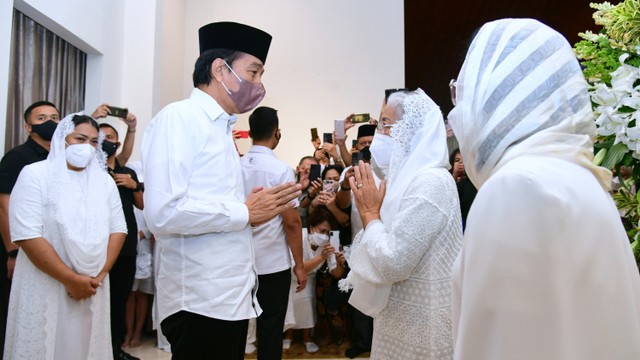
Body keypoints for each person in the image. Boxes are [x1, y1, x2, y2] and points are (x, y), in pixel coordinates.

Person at [447, 18, 640, 360]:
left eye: (461, 93)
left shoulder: (516, 189)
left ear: (490, 94)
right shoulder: (583, 180)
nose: (456, 115)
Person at [141, 21, 301, 360]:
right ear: (220, 69)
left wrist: (249, 213)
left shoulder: (221, 130)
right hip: (200, 299)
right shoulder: (180, 119)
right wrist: (244, 212)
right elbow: (163, 213)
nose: (259, 84)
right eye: (253, 72)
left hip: (228, 296)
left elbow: (209, 207)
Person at [340, 89, 463, 359]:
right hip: (398, 316)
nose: (379, 134)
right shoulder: (403, 179)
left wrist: (371, 214)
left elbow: (394, 262)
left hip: (423, 326)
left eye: (385, 124)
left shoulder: (430, 182)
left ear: (412, 130)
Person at [4, 113, 127, 359]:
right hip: (47, 281)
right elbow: (27, 235)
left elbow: (118, 229)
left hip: (94, 285)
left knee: (85, 345)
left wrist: (98, 276)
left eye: (94, 142)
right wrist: (70, 279)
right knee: (47, 343)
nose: (88, 147)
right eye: (80, 138)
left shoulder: (104, 181)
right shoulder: (35, 174)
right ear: (62, 139)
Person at [240, 106, 307, 359]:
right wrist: (299, 264)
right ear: (277, 133)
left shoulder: (237, 165)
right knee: (270, 326)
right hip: (272, 262)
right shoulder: (280, 169)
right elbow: (291, 222)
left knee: (237, 325)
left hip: (241, 259)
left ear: (249, 133)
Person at [99, 123, 143, 360]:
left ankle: (115, 349)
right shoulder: (92, 170)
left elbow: (142, 204)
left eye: (111, 137)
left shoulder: (128, 172)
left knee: (120, 298)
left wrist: (134, 186)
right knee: (99, 300)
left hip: (126, 245)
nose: (107, 141)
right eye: (102, 137)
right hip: (99, 245)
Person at [283, 207, 344, 353]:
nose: (325, 236)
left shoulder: (330, 244)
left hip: (309, 278)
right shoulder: (299, 236)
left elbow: (336, 274)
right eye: (322, 231)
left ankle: (307, 338)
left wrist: (340, 263)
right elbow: (296, 268)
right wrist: (321, 257)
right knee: (289, 303)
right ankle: (288, 334)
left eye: (328, 233)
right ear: (311, 228)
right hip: (290, 276)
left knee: (307, 301)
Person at [449, 148, 476, 230]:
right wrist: (454, 174)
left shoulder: (472, 182)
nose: (460, 162)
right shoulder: (449, 179)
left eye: (463, 159)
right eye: (457, 160)